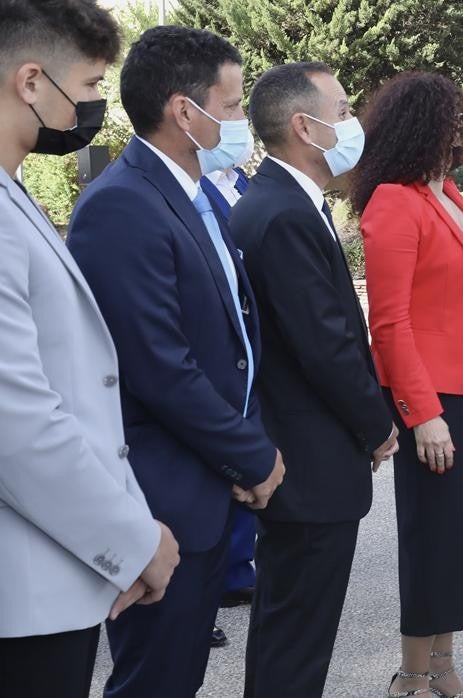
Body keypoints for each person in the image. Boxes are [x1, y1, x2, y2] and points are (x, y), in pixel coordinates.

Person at [66, 26, 285, 697]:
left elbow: (232, 339)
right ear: (183, 111)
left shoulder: (192, 192)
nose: (241, 120)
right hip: (163, 496)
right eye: (232, 105)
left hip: (208, 485)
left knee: (181, 671)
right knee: (154, 680)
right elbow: (160, 365)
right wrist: (250, 456)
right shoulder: (124, 204)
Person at [0, 2, 181, 695]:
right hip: (23, 596)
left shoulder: (13, 193)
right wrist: (134, 540)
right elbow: (18, 422)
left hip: (51, 573)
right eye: (92, 85)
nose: (99, 103)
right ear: (31, 82)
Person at [354, 71, 463, 698]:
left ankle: (443, 663)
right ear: (424, 124)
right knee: (432, 537)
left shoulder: (445, 191)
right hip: (432, 397)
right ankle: (412, 673)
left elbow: (449, 279)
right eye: (456, 114)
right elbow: (391, 321)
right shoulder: (393, 202)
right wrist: (421, 414)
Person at [231, 61, 401, 697]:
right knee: (298, 634)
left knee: (288, 627)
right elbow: (323, 344)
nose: (354, 121)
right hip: (309, 458)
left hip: (300, 453)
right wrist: (377, 425)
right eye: (345, 108)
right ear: (306, 126)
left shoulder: (279, 201)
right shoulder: (283, 213)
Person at [196, 83, 258, 653]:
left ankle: (237, 574)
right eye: (235, 108)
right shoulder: (179, 191)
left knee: (242, 468)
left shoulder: (240, 182)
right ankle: (203, 590)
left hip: (250, 351)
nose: (242, 122)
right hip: (213, 357)